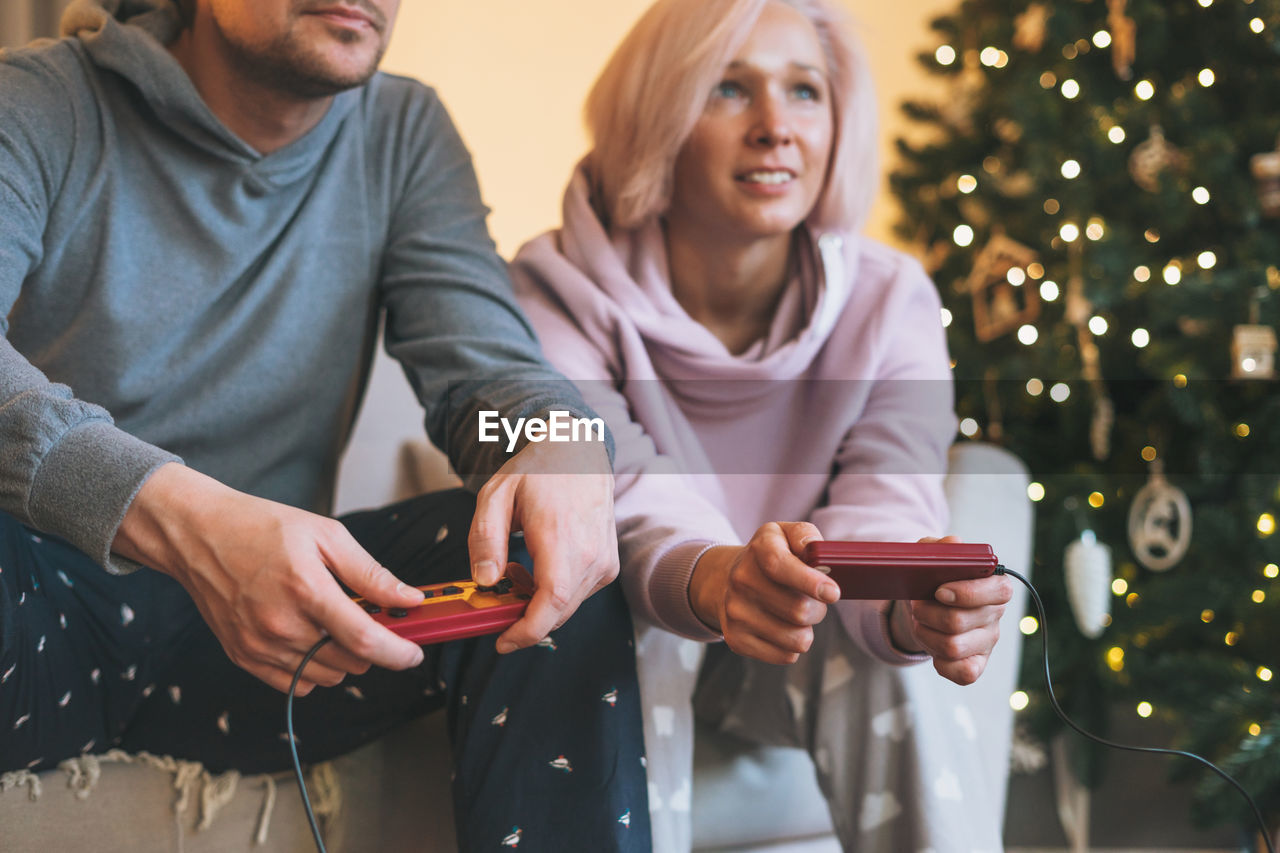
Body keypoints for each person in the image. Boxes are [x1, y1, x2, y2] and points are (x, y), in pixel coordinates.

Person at [0, 0, 648, 849]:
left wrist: (553, 440)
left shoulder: (405, 129)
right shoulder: (36, 102)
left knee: (541, 559)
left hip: (282, 637)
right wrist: (187, 517)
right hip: (42, 605)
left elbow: (481, 365)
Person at [510, 0, 1015, 849]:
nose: (777, 128)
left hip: (802, 644)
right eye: (728, 91)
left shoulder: (893, 299)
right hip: (644, 623)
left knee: (901, 665)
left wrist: (908, 609)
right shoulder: (554, 288)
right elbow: (613, 490)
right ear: (658, 118)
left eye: (805, 91)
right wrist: (719, 578)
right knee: (608, 611)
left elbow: (890, 493)